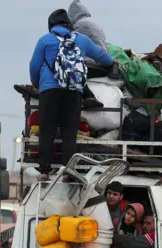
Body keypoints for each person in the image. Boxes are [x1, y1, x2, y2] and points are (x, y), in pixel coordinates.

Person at [29, 9, 115, 180]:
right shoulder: (81, 40)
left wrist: (38, 84)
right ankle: (67, 172)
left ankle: (45, 171)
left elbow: (34, 66)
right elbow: (101, 56)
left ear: (51, 25)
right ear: (69, 24)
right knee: (69, 133)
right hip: (73, 90)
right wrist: (112, 62)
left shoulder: (45, 40)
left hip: (49, 91)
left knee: (47, 131)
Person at [67, 0, 113, 109]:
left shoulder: (80, 26)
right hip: (104, 63)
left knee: (70, 71)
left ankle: (88, 96)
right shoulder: (92, 23)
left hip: (95, 64)